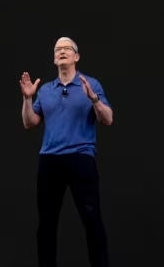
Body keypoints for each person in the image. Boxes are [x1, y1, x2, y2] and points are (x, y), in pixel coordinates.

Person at [20, 37, 113, 267]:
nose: (61, 51)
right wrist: (28, 98)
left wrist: (93, 99)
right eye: (57, 49)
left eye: (66, 49)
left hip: (81, 159)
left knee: (92, 221)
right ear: (54, 58)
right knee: (46, 225)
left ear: (76, 56)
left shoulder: (90, 84)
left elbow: (108, 119)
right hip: (50, 160)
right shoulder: (46, 90)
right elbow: (30, 122)